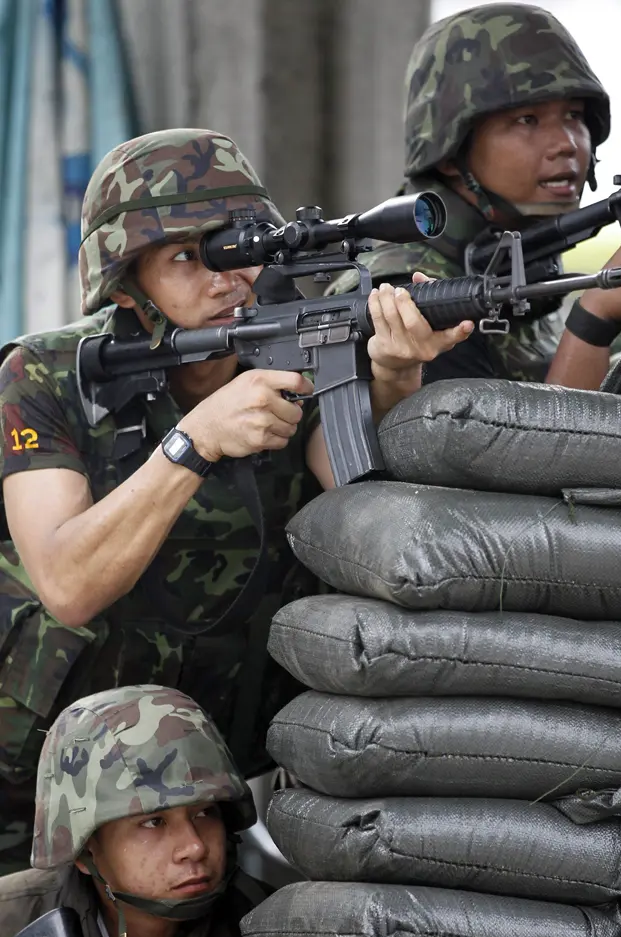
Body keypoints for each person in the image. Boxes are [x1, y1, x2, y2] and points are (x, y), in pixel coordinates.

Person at [0, 128, 472, 875]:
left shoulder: (292, 339)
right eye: (189, 257)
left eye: (239, 245)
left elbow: (353, 491)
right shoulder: (47, 376)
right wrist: (193, 442)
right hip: (34, 774)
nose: (230, 275)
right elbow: (68, 583)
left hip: (203, 777)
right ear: (126, 280)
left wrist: (389, 376)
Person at [327, 2, 621, 390]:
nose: (566, 144)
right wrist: (592, 321)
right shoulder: (407, 293)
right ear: (451, 152)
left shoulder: (520, 252)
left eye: (574, 115)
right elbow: (522, 449)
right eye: (527, 120)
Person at [0, 684, 264, 937]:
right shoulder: (9, 925)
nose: (194, 846)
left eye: (205, 813)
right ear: (85, 847)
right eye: (154, 822)